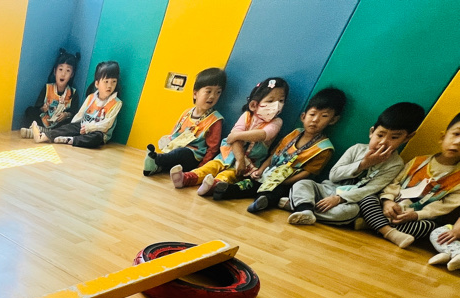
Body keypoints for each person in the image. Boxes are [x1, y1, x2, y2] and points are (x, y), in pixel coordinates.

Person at [286, 102, 425, 226]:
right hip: (327, 190)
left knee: (349, 213)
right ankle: (305, 209)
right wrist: (363, 164)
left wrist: (339, 199)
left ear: (407, 138)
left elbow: (370, 190)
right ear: (372, 132)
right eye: (380, 135)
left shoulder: (395, 164)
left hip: (349, 201)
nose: (383, 142)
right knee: (303, 184)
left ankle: (302, 206)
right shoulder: (357, 149)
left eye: (394, 137)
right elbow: (334, 175)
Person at [213, 87, 345, 214]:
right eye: (312, 114)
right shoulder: (294, 134)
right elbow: (273, 155)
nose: (315, 120)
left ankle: (262, 201)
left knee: (276, 191)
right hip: (269, 174)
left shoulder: (324, 148)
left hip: (287, 182)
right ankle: (226, 190)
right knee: (249, 183)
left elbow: (307, 173)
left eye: (324, 116)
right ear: (303, 116)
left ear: (333, 120)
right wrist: (260, 170)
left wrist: (283, 182)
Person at [357, 112, 460, 248]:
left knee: (428, 227)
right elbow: (394, 182)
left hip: (413, 217)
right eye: (456, 134)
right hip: (390, 208)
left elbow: (443, 207)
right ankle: (388, 231)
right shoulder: (418, 161)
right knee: (368, 199)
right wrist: (387, 201)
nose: (458, 142)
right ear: (442, 137)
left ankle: (373, 223)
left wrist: (416, 215)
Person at [171, 77, 288, 195]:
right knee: (211, 166)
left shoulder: (277, 122)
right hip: (227, 155)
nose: (277, 105)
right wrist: (240, 158)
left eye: (281, 101)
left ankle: (211, 187)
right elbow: (234, 140)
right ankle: (186, 178)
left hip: (248, 164)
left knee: (228, 175)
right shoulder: (247, 116)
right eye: (270, 101)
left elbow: (263, 134)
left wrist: (237, 136)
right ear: (254, 104)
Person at [143, 68, 226, 176]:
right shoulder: (187, 113)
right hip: (176, 151)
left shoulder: (215, 120)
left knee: (181, 153)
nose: (212, 96)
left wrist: (201, 168)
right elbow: (175, 131)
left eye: (218, 92)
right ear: (195, 94)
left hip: (193, 156)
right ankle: (155, 167)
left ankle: (156, 159)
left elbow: (213, 148)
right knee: (173, 154)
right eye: (208, 91)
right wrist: (168, 142)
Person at [32, 61, 121, 149]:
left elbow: (106, 125)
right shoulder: (91, 97)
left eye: (113, 82)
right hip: (82, 127)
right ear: (97, 83)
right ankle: (43, 136)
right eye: (106, 81)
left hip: (98, 131)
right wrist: (71, 128)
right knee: (69, 127)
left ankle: (70, 140)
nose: (109, 86)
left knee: (97, 137)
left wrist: (89, 128)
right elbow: (80, 115)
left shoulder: (116, 103)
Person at [20, 49, 80, 133]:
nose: (63, 74)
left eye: (68, 71)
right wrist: (43, 108)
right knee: (30, 110)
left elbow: (73, 112)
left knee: (73, 122)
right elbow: (38, 107)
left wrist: (66, 114)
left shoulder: (73, 93)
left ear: (72, 75)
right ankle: (44, 130)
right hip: (44, 120)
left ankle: (42, 131)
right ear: (55, 71)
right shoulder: (47, 88)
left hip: (59, 123)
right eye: (60, 69)